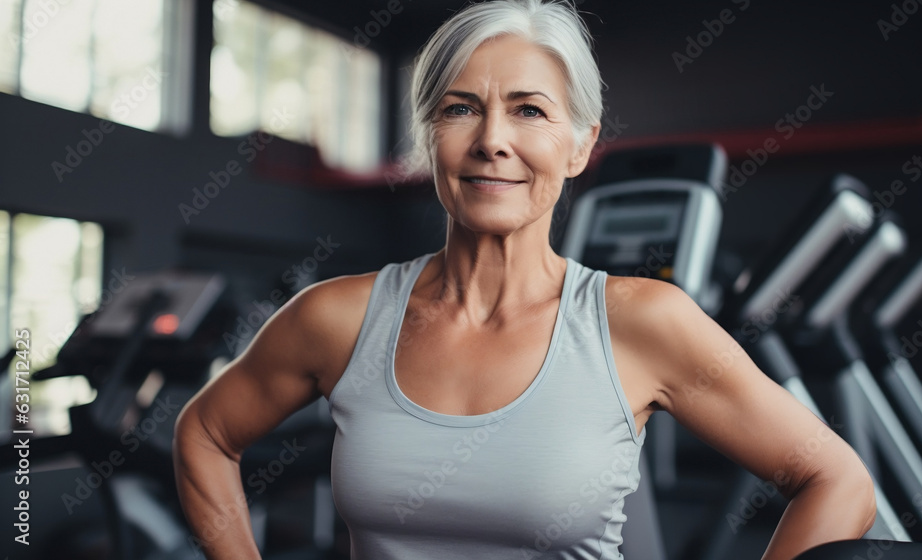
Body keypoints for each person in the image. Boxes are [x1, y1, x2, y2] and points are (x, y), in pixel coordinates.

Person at [172, 0, 877, 558]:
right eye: (460, 108)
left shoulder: (643, 322)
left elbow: (835, 479)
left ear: (579, 146)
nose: (491, 140)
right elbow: (204, 432)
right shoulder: (338, 318)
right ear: (430, 140)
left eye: (529, 110)